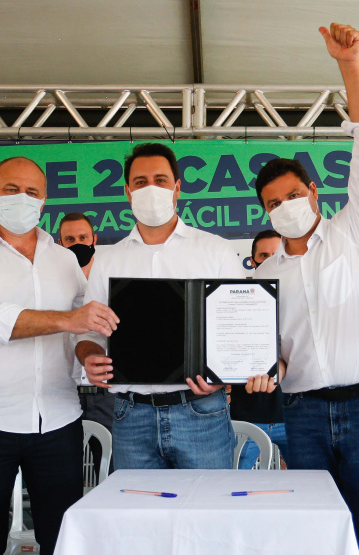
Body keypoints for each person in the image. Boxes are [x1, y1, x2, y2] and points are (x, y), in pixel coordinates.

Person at [250, 23, 359, 555]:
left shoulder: (355, 229)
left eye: (293, 194)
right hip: (304, 414)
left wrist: (350, 66)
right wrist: (267, 371)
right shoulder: (261, 278)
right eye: (273, 203)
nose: (285, 207)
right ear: (265, 212)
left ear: (314, 192)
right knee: (315, 537)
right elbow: (278, 355)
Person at [0, 157, 119, 554]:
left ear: (44, 202)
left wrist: (89, 353)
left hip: (58, 419)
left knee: (61, 540)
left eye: (32, 192)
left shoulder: (63, 259)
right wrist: (68, 320)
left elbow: (84, 327)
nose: (22, 199)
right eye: (11, 190)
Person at [76, 142, 247, 470]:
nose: (150, 188)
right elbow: (89, 334)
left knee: (207, 514)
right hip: (131, 415)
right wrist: (88, 356)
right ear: (128, 191)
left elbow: (240, 329)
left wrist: (223, 374)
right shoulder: (109, 260)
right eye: (140, 182)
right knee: (139, 518)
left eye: (160, 180)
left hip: (201, 411)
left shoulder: (216, 252)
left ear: (177, 188)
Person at [58, 211, 115, 481]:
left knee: (114, 471)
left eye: (82, 237)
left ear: (94, 239)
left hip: (105, 392)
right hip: (63, 391)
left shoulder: (109, 282)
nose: (77, 243)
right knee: (63, 475)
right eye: (69, 239)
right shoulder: (51, 286)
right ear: (60, 244)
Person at [229, 229, 288, 469]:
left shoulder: (302, 299)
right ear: (252, 262)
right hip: (246, 419)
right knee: (233, 489)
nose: (271, 260)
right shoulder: (233, 301)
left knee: (310, 489)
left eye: (276, 254)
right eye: (264, 255)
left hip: (294, 417)